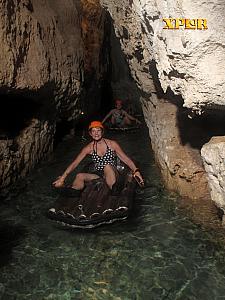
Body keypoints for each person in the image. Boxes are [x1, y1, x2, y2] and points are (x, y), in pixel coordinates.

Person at [52, 121, 144, 194]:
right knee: (79, 176)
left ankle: (114, 188)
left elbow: (125, 159)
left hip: (113, 172)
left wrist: (136, 170)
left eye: (98, 130)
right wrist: (62, 178)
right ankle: (74, 190)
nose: (96, 133)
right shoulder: (89, 148)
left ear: (102, 132)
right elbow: (75, 163)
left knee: (107, 166)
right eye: (93, 131)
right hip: (99, 175)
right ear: (90, 134)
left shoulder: (112, 144)